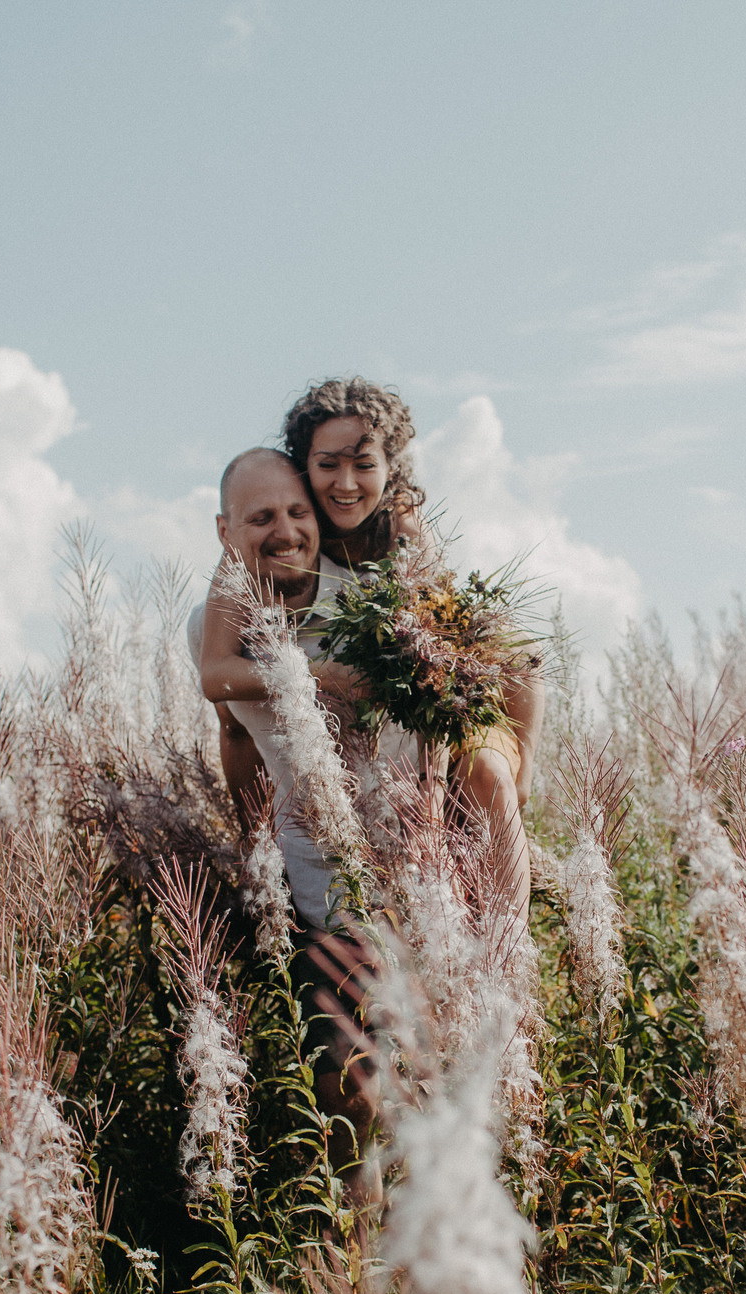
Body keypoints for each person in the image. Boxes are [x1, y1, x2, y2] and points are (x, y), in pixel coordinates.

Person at [192, 446, 394, 1182]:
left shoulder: (365, 601)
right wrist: (254, 854)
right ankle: (357, 1260)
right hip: (315, 885)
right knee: (347, 1081)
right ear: (225, 530)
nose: (284, 530)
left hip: (411, 868)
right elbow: (233, 727)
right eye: (261, 517)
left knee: (420, 1067)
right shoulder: (216, 618)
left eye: (296, 511)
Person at [279, 377, 541, 912]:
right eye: (328, 464)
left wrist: (435, 804)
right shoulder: (293, 531)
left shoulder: (404, 537)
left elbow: (441, 682)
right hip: (379, 728)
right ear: (303, 466)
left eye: (364, 465)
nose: (346, 483)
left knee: (490, 774)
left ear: (391, 469)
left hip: (451, 702)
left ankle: (510, 951)